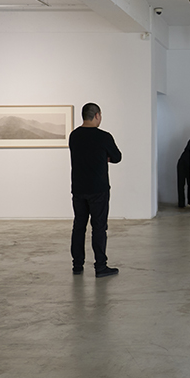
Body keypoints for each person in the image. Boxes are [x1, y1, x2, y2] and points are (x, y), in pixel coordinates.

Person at [69, 103, 122, 277]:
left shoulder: (74, 136)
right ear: (97, 115)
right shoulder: (104, 137)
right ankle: (100, 266)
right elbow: (117, 157)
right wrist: (104, 156)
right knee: (99, 227)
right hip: (98, 189)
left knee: (79, 226)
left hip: (78, 188)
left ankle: (77, 265)